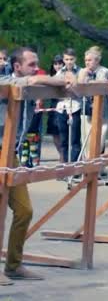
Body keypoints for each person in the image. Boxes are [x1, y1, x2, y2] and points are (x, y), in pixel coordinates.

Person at [0, 47, 76, 285]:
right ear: (17, 67)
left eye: (36, 63)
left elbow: (50, 83)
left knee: (24, 210)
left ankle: (13, 265)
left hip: (10, 155)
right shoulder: (6, 80)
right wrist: (63, 78)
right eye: (31, 63)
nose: (36, 67)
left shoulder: (30, 85)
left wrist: (71, 79)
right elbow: (34, 78)